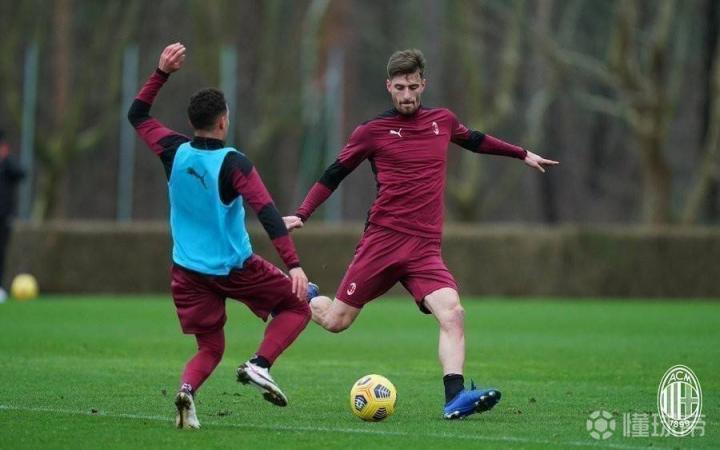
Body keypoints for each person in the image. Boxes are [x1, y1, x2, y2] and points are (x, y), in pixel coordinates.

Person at [284, 49, 558, 420]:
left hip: (424, 249)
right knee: (335, 321)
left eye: (413, 87)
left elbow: (475, 140)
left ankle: (455, 398)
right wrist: (303, 213)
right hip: (382, 242)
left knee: (453, 313)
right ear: (389, 87)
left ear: (423, 84)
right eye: (400, 87)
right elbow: (334, 173)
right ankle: (308, 296)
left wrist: (522, 154)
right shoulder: (371, 132)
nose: (407, 95)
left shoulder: (442, 121)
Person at [128, 43, 314, 429]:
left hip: (187, 272)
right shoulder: (233, 163)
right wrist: (293, 264)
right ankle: (259, 364)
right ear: (223, 122)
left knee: (210, 348)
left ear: (192, 121)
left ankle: (187, 391)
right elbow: (264, 211)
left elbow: (137, 114)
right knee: (298, 306)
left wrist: (161, 73)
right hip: (234, 268)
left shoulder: (173, 150)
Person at [0, 130, 26, 302]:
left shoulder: (7, 165)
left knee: (1, 252)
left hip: (4, 217)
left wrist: (6, 159)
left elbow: (22, 172)